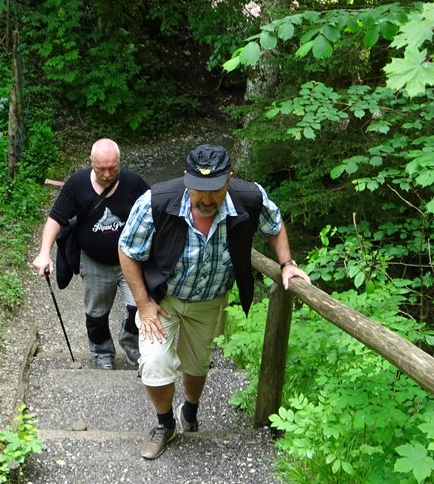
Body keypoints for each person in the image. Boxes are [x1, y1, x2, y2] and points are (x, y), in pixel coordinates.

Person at [118, 142, 312, 459]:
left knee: (197, 365)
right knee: (155, 363)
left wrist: (287, 264)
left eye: (214, 190)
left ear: (229, 179)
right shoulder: (156, 201)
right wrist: (142, 303)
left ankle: (190, 411)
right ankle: (164, 424)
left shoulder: (249, 197)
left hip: (209, 300)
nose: (206, 199)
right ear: (186, 179)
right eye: (199, 190)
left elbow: (274, 226)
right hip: (162, 299)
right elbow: (127, 249)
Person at [32, 138, 149, 369]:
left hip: (130, 260)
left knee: (140, 306)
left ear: (119, 162)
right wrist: (44, 253)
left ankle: (133, 346)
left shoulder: (133, 183)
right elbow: (56, 218)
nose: (107, 174)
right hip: (94, 261)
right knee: (96, 313)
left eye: (112, 168)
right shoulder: (77, 184)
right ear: (91, 163)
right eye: (101, 169)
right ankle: (102, 352)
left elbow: (153, 211)